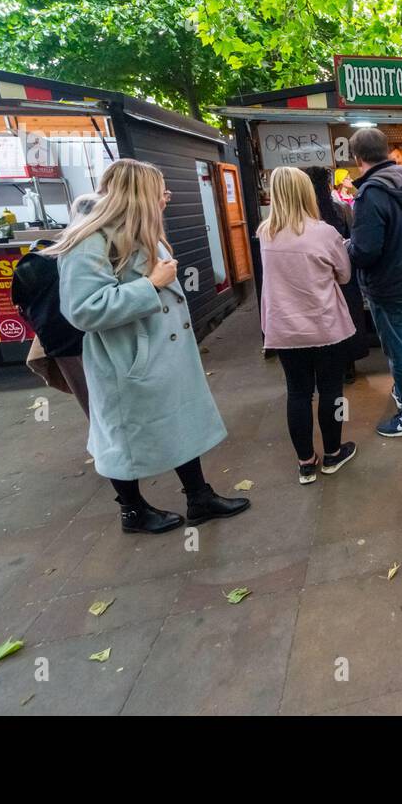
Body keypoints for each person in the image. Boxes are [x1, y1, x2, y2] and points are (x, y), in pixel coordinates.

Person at [48, 159, 249, 534]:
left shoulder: (138, 228)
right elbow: (82, 311)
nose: (166, 200)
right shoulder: (90, 240)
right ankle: (132, 511)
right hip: (127, 361)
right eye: (161, 193)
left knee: (178, 422)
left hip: (160, 354)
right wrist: (151, 285)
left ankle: (198, 496)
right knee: (123, 438)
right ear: (140, 195)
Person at [260, 166, 359, 485]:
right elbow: (344, 275)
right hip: (325, 325)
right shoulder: (324, 233)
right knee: (331, 391)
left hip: (284, 329)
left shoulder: (266, 234)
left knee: (298, 393)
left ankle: (305, 463)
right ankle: (332, 454)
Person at [349, 129, 402, 436]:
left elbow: (366, 250)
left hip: (387, 282)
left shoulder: (371, 192)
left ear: (358, 158)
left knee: (398, 350)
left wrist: (348, 247)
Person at [14, 193, 101, 416]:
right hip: (84, 340)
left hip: (59, 342)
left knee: (92, 405)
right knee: (105, 408)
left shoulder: (60, 247)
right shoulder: (88, 252)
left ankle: (106, 443)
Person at [304, 165, 370, 383]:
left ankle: (323, 368)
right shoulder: (342, 209)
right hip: (343, 276)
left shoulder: (302, 215)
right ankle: (348, 367)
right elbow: (355, 241)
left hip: (315, 279)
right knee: (347, 319)